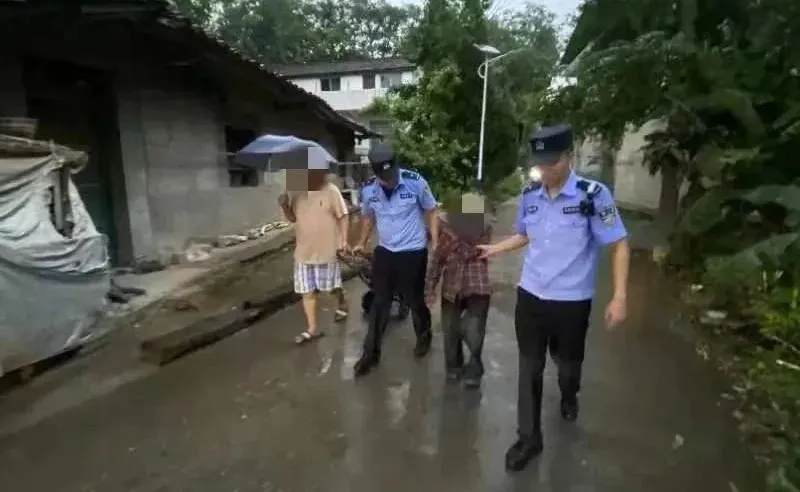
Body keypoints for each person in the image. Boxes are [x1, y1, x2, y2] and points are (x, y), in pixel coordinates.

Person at [477, 123, 630, 472]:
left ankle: (569, 393)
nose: (545, 170)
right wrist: (495, 249)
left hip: (572, 303)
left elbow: (619, 244)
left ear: (568, 156)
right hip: (531, 297)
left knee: (567, 366)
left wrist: (619, 296)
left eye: (551, 163)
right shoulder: (531, 195)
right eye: (539, 164)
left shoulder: (593, 196)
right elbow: (523, 235)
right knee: (529, 367)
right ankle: (529, 438)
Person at [351, 143, 439, 377]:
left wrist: (436, 241)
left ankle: (423, 337)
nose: (389, 180)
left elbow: (431, 210)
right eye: (384, 176)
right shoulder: (369, 190)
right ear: (376, 173)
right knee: (380, 302)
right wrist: (362, 241)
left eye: (392, 174)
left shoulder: (415, 181)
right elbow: (368, 217)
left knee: (415, 299)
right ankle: (370, 354)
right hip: (386, 251)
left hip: (413, 251)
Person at [425, 192, 492, 389]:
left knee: (474, 330)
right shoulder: (448, 234)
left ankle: (474, 368)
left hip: (477, 286)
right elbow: (436, 262)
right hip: (451, 287)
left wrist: (452, 236)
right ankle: (453, 367)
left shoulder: (484, 230)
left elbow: (474, 250)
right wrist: (430, 290)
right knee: (450, 330)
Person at [278, 168, 350, 345]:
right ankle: (312, 329)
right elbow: (292, 218)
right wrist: (285, 205)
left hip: (326, 250)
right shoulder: (294, 192)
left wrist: (344, 240)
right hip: (303, 252)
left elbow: (343, 216)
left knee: (331, 287)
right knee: (307, 291)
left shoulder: (330, 190)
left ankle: (342, 302)